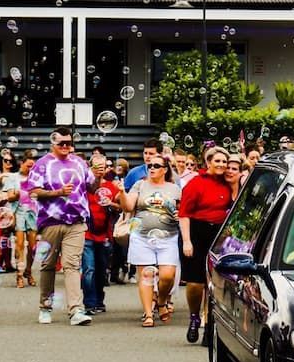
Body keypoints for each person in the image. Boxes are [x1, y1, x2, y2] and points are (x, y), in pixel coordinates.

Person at [26, 128, 95, 326]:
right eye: (61, 143)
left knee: (72, 265)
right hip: (50, 222)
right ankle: (45, 307)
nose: (65, 146)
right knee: (48, 265)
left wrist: (98, 175)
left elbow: (92, 187)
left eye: (68, 143)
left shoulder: (80, 163)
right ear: (53, 143)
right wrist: (58, 192)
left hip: (77, 221)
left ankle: (76, 310)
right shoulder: (42, 164)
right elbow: (33, 191)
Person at [177, 147, 232, 341]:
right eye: (217, 161)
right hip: (195, 232)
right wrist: (186, 241)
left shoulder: (228, 184)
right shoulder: (195, 183)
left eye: (224, 162)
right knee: (195, 282)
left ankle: (209, 324)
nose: (221, 165)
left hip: (217, 234)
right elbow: (183, 214)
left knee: (212, 282)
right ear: (208, 163)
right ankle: (194, 317)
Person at [122, 153, 181, 329]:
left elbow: (181, 209)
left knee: (167, 275)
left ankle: (161, 300)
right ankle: (148, 314)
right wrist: (121, 192)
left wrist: (180, 214)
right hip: (141, 236)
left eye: (156, 166)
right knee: (146, 275)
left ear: (165, 169)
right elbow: (128, 206)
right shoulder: (140, 185)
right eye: (150, 166)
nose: (152, 168)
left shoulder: (174, 188)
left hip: (168, 236)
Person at [82, 154, 119, 315]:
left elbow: (121, 206)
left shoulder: (111, 186)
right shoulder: (83, 186)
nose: (99, 170)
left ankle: (99, 300)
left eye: (102, 167)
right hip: (86, 233)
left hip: (104, 233)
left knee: (101, 269)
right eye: (96, 167)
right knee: (88, 268)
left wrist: (111, 203)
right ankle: (89, 302)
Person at [12, 153, 38, 289]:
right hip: (19, 213)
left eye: (32, 167)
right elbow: (9, 197)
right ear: (21, 163)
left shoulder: (36, 179)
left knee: (33, 248)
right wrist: (18, 192)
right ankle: (19, 275)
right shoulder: (13, 177)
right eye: (28, 166)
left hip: (33, 214)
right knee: (20, 245)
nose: (30, 169)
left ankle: (28, 270)